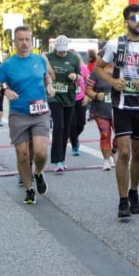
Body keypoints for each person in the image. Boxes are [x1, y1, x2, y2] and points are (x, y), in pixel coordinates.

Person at [95, 4, 139, 219]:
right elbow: (98, 68)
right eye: (135, 18)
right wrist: (113, 81)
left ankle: (134, 191)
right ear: (126, 22)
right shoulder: (116, 44)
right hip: (122, 104)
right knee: (124, 151)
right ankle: (123, 199)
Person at [0, 26, 55, 205]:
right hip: (19, 114)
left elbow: (46, 77)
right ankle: (29, 188)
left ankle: (39, 172)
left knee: (41, 152)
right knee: (22, 154)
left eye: (27, 39)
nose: (24, 43)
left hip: (40, 111)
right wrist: (5, 90)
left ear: (31, 40)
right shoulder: (8, 65)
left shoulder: (39, 60)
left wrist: (49, 85)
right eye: (20, 40)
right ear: (15, 42)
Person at [46, 35, 83, 173]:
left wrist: (75, 77)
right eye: (59, 51)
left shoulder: (74, 58)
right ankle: (56, 160)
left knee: (66, 128)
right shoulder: (49, 57)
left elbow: (81, 77)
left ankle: (62, 159)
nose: (61, 53)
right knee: (58, 126)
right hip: (54, 97)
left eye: (63, 51)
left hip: (69, 96)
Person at [88, 66, 116, 171]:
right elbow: (88, 90)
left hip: (118, 109)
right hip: (101, 109)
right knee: (105, 134)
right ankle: (106, 160)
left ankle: (114, 150)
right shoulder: (96, 72)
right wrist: (95, 95)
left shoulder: (121, 70)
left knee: (120, 134)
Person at [69, 56, 91, 157]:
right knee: (72, 124)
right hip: (69, 99)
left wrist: (87, 96)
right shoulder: (66, 68)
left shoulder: (83, 68)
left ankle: (73, 136)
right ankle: (74, 145)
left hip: (81, 98)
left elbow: (89, 83)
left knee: (81, 124)